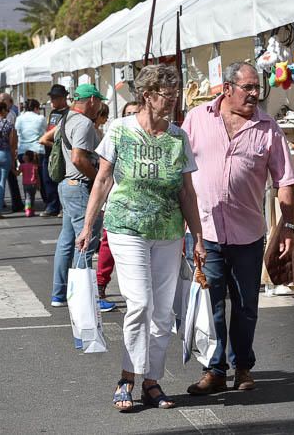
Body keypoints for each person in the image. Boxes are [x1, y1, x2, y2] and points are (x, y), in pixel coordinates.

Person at [75, 64, 206, 412]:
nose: (174, 102)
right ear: (148, 96)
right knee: (140, 303)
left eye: (176, 96)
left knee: (163, 313)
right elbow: (102, 179)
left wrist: (198, 236)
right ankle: (127, 377)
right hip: (126, 227)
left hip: (167, 230)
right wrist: (89, 225)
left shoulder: (178, 137)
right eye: (168, 96)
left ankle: (152, 380)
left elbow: (187, 192)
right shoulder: (120, 130)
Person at [182, 62, 294, 395]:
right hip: (205, 230)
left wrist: (288, 227)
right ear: (227, 88)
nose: (254, 94)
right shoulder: (197, 119)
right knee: (213, 303)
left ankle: (243, 366)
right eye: (247, 88)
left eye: (256, 88)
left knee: (246, 305)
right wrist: (182, 229)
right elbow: (180, 174)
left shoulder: (268, 128)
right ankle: (215, 369)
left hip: (248, 232)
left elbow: (285, 182)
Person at [49, 83, 105, 307]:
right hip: (78, 185)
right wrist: (96, 179)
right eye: (99, 102)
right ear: (92, 100)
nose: (99, 107)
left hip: (66, 185)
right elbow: (78, 158)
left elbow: (49, 141)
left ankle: (59, 294)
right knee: (86, 241)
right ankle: (85, 298)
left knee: (66, 240)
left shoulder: (65, 119)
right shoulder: (83, 123)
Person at [95, 101, 139, 313]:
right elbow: (103, 176)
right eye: (128, 113)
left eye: (135, 113)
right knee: (107, 247)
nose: (131, 116)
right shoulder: (117, 134)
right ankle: (100, 285)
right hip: (117, 205)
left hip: (144, 211)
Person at [39, 84, 69, 217]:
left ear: (63, 98)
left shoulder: (67, 113)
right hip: (48, 151)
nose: (52, 101)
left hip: (58, 151)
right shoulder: (53, 112)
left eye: (54, 98)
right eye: (51, 98)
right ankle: (52, 206)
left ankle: (63, 207)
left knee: (60, 180)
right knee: (47, 180)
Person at [15, 98, 46, 163]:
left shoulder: (19, 118)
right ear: (35, 108)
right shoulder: (41, 118)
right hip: (37, 151)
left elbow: (17, 132)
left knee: (26, 172)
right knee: (38, 172)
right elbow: (44, 132)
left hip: (22, 152)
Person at [19, 150, 39, 217]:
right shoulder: (34, 165)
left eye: (24, 155)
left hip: (26, 184)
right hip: (34, 184)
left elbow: (17, 173)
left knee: (27, 197)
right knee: (32, 197)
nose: (23, 156)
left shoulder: (22, 166)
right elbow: (37, 176)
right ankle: (32, 210)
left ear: (27, 157)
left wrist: (12, 169)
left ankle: (28, 210)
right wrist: (39, 184)